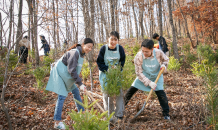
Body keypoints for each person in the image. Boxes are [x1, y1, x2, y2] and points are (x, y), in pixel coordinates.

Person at [46, 38, 94, 129]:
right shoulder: (75, 52)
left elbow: (74, 70)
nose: (90, 49)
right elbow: (71, 70)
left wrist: (79, 84)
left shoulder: (81, 55)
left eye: (91, 48)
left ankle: (82, 113)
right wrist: (80, 84)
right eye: (88, 46)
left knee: (76, 92)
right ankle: (57, 122)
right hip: (60, 74)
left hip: (67, 77)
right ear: (83, 44)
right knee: (62, 96)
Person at [124, 39, 170, 120]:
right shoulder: (138, 56)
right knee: (130, 91)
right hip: (144, 76)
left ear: (152, 49)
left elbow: (166, 60)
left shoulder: (158, 52)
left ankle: (166, 114)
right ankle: (119, 110)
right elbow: (138, 73)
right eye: (143, 51)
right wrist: (149, 83)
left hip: (157, 75)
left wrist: (164, 65)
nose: (144, 53)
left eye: (147, 52)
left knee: (161, 94)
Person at [97, 31, 126, 122]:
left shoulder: (120, 48)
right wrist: (107, 69)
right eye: (111, 39)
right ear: (108, 39)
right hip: (105, 74)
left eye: (115, 39)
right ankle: (109, 115)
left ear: (117, 40)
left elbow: (122, 61)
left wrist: (117, 69)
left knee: (119, 93)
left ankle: (119, 115)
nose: (113, 41)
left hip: (117, 74)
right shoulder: (103, 49)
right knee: (106, 94)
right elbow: (99, 62)